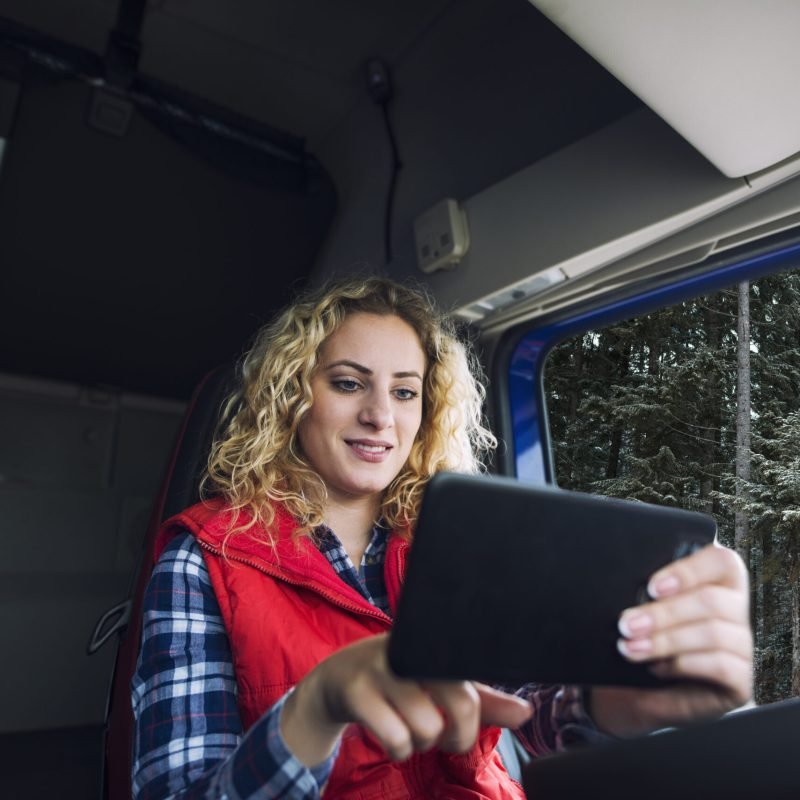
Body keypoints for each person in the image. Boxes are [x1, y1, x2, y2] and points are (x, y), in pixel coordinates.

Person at [131, 276, 753, 800]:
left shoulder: (460, 539)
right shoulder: (202, 557)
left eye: (405, 392)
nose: (381, 415)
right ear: (292, 397)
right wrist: (313, 710)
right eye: (349, 383)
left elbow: (526, 706)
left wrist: (621, 705)